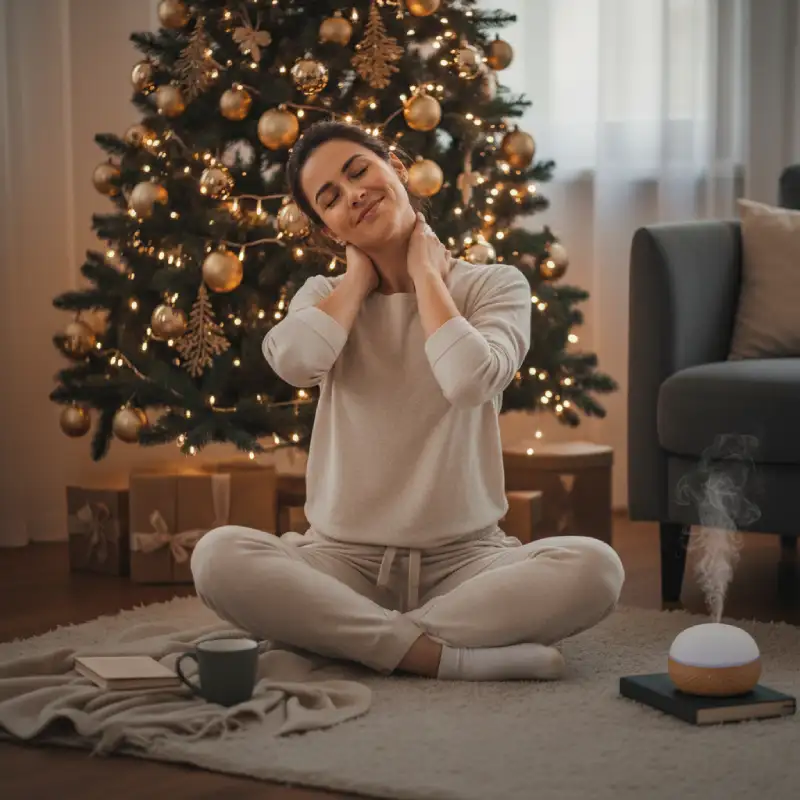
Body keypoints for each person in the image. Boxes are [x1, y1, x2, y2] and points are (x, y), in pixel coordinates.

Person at [191, 120, 625, 682]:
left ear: (394, 167)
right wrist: (355, 285)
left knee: (596, 569)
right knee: (217, 556)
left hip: (467, 560)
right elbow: (292, 363)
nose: (354, 195)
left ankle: (341, 640)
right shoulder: (324, 298)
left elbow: (470, 381)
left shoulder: (494, 286)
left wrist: (425, 277)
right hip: (341, 559)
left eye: (359, 172)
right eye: (331, 199)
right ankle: (438, 656)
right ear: (327, 230)